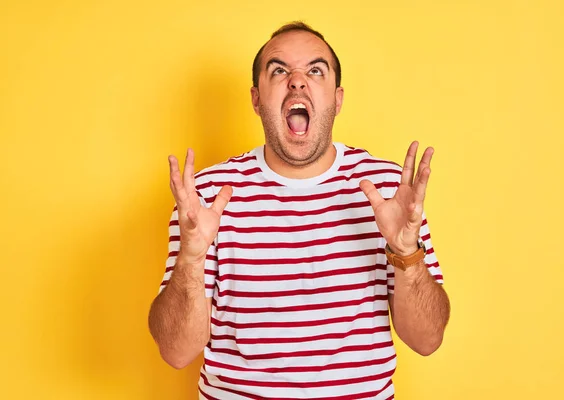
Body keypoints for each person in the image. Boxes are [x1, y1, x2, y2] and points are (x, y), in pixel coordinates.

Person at [148, 21, 451, 400]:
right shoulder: (206, 196)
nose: (297, 81)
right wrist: (191, 258)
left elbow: (427, 340)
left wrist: (407, 254)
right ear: (256, 98)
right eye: (279, 71)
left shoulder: (388, 189)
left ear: (337, 99)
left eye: (315, 70)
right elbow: (176, 352)